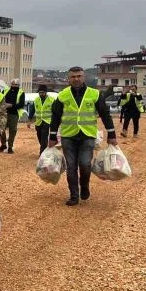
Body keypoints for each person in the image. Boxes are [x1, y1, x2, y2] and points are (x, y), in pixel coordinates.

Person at [48, 66, 118, 206]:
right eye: (73, 77)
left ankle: (84, 186)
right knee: (71, 166)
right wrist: (52, 136)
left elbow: (105, 114)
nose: (76, 79)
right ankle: (74, 195)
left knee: (85, 164)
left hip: (87, 135)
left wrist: (112, 134)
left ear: (83, 77)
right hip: (68, 135)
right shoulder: (62, 95)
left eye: (79, 76)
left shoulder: (95, 94)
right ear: (68, 79)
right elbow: (55, 116)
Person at [27, 85, 54, 156]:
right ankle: (44, 148)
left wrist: (55, 121)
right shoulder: (36, 100)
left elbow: (55, 112)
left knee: (44, 137)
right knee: (39, 136)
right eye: (40, 93)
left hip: (47, 121)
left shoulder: (51, 100)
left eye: (42, 93)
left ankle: (42, 153)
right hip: (38, 122)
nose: (41, 94)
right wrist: (29, 120)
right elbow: (32, 110)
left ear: (46, 92)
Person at [0, 78, 25, 153]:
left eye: (16, 85)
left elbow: (21, 104)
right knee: (1, 129)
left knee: (12, 131)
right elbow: (0, 100)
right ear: (10, 84)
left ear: (18, 85)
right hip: (4, 113)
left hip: (14, 114)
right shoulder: (5, 91)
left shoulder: (21, 93)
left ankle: (10, 146)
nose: (14, 86)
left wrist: (11, 105)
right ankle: (3, 144)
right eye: (13, 84)